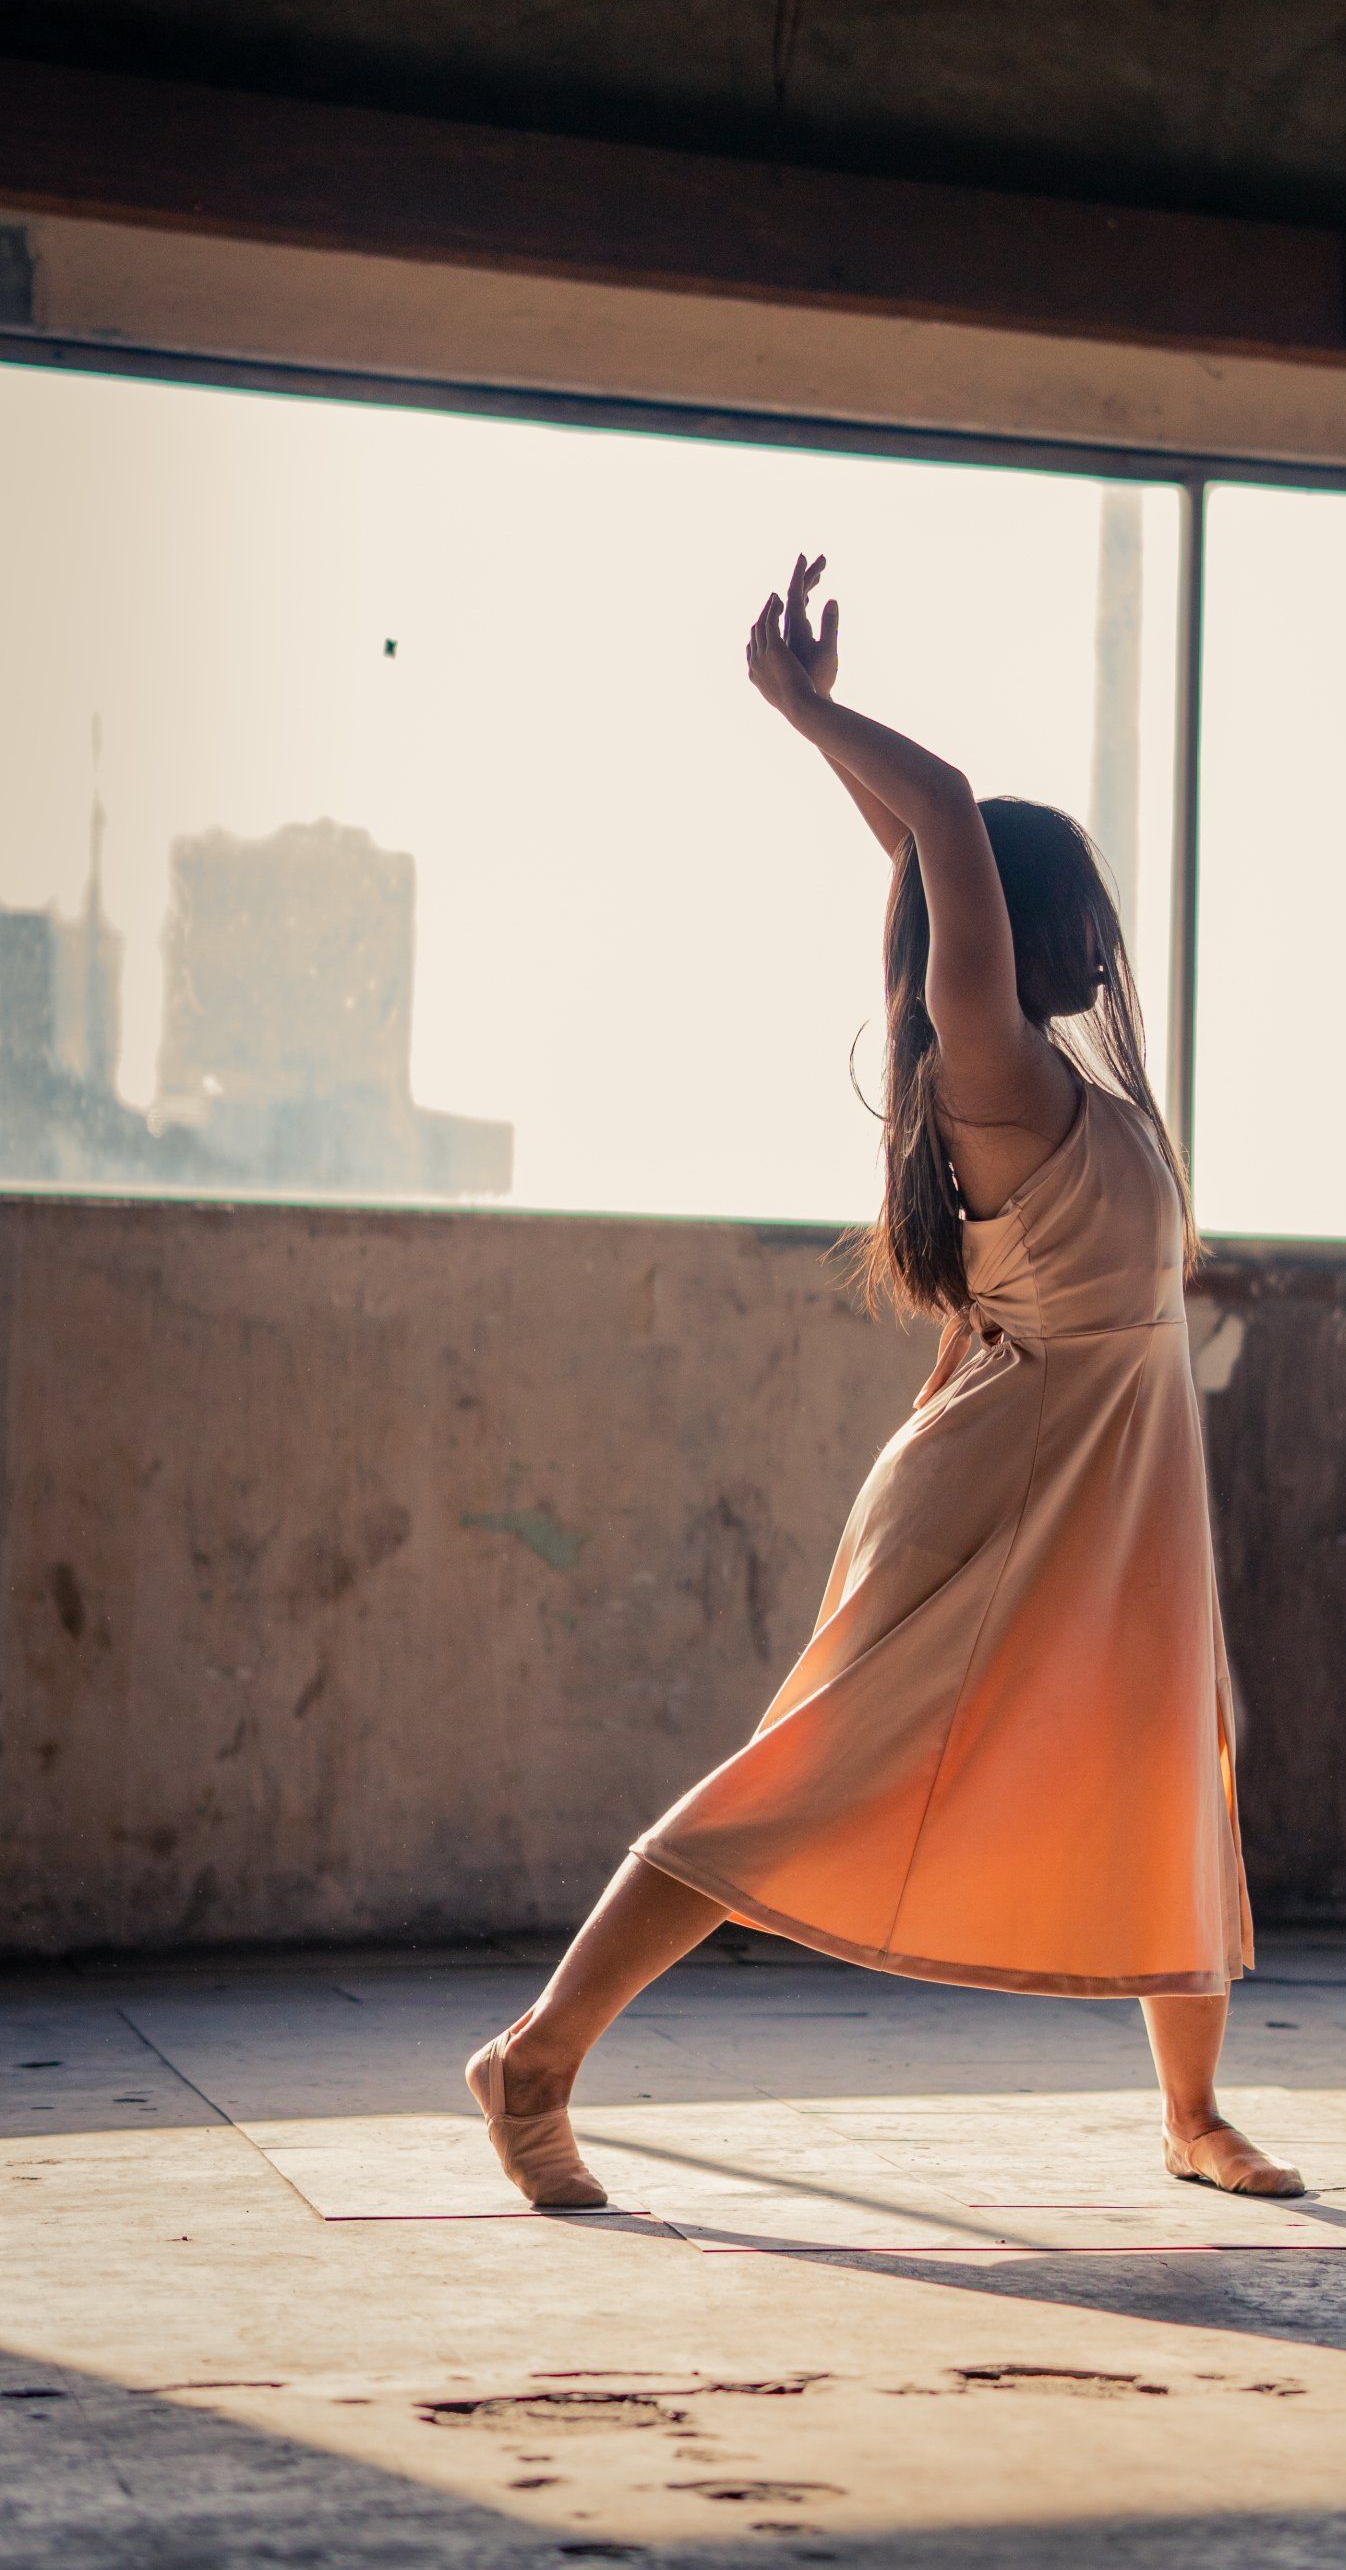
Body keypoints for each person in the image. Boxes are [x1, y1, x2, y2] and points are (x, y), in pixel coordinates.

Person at [467, 553, 1302, 2211]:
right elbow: (944, 835)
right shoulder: (981, 1056)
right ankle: (537, 2057)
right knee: (810, 1773)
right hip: (1012, 1481)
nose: (1095, 936)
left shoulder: (1052, 1075)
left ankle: (1194, 2116)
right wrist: (813, 714)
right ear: (1013, 924)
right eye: (1062, 910)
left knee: (1175, 1759)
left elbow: (933, 858)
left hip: (1119, 1486)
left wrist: (846, 758)